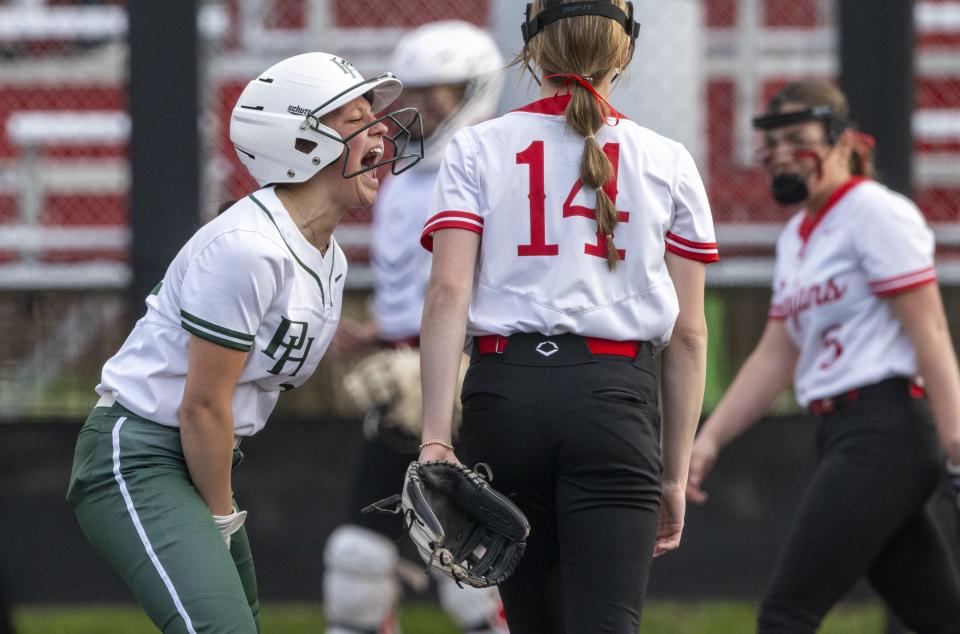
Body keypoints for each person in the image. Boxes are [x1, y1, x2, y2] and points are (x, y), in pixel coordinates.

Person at [65, 52, 422, 633]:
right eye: (357, 118)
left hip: (200, 453)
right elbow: (203, 406)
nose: (382, 128)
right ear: (301, 141)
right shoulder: (249, 246)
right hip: (140, 454)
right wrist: (221, 513)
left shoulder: (325, 255)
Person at [416, 1, 718, 631]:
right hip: (613, 398)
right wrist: (673, 474)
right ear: (625, 51)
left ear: (531, 51)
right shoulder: (667, 159)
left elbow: (447, 296)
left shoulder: (475, 147)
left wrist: (436, 440)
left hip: (504, 394)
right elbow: (688, 334)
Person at [685, 80, 960, 633]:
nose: (782, 154)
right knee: (939, 619)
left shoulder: (874, 211)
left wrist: (957, 440)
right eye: (774, 141)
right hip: (843, 432)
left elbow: (929, 328)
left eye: (799, 139)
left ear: (843, 143)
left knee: (786, 614)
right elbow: (776, 352)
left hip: (886, 432)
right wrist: (709, 438)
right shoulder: (798, 236)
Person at [323, 21, 510, 634]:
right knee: (356, 563)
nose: (425, 105)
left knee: (468, 568)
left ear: (476, 87)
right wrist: (378, 331)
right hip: (405, 379)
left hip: (476, 378)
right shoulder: (400, 175)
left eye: (443, 90)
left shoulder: (500, 165)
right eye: (418, 91)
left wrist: (464, 361)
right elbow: (420, 289)